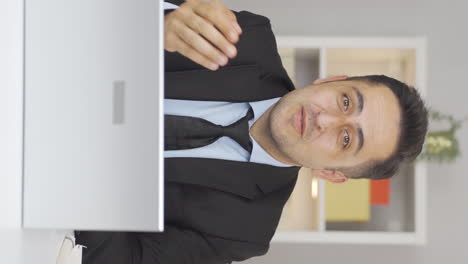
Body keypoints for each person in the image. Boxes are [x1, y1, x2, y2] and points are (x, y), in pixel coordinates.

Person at [69, 0, 429, 263]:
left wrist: (81, 170)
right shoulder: (246, 39)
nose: (326, 120)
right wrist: (149, 23)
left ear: (332, 174)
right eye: (346, 102)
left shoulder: (243, 233)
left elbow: (117, 259)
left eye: (346, 139)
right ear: (332, 80)